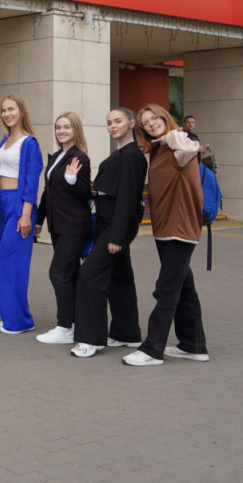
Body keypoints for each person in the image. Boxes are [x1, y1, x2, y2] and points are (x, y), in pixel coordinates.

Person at [122, 105, 209, 366]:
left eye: (155, 118)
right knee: (184, 287)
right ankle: (193, 345)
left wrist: (172, 135)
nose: (150, 124)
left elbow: (189, 148)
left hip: (180, 229)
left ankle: (152, 349)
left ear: (165, 118)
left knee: (166, 289)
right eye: (145, 123)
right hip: (165, 228)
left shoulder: (179, 141)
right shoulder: (158, 151)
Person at [71, 108, 146, 359]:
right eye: (109, 123)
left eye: (118, 121)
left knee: (89, 275)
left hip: (117, 224)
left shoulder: (133, 155)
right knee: (120, 278)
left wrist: (117, 236)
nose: (112, 126)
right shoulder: (122, 153)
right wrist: (97, 191)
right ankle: (127, 333)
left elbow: (127, 198)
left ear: (132, 123)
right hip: (108, 221)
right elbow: (115, 190)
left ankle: (91, 339)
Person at [34, 112, 93, 344]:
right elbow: (48, 193)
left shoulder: (80, 158)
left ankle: (64, 327)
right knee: (71, 274)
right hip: (57, 225)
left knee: (58, 273)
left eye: (67, 127)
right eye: (58, 127)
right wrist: (39, 220)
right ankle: (77, 323)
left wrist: (71, 181)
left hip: (74, 226)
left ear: (76, 129)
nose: (61, 131)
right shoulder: (58, 156)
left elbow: (85, 195)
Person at [0, 94, 42, 334]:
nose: (7, 114)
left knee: (9, 263)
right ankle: (14, 317)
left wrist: (26, 214)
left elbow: (32, 181)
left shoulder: (29, 142)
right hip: (0, 204)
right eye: (3, 110)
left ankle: (18, 321)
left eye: (11, 109)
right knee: (1, 262)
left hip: (18, 205)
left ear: (21, 111)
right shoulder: (5, 140)